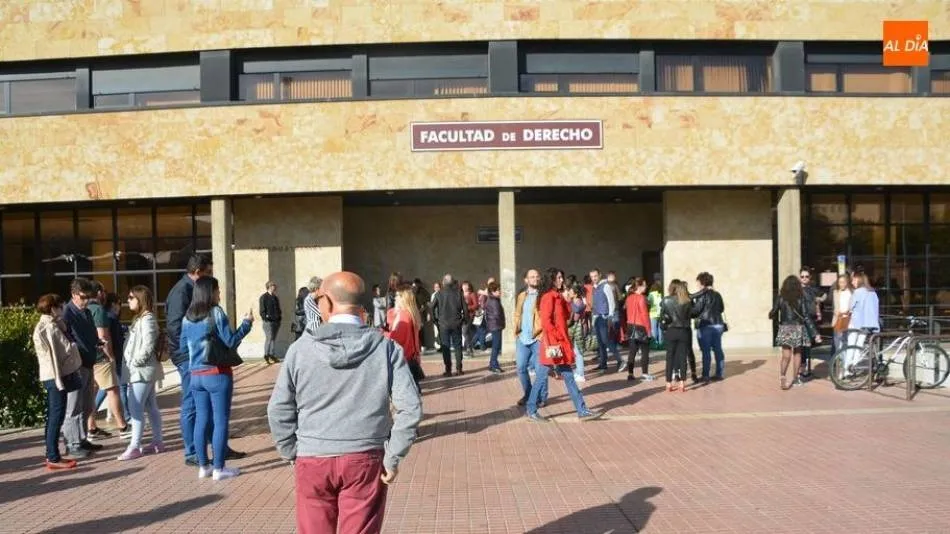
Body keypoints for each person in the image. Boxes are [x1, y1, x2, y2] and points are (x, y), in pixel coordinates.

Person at [267, 271, 423, 534]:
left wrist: (290, 451)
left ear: (326, 303)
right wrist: (393, 456)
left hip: (313, 456)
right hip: (365, 457)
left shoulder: (300, 350)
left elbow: (279, 408)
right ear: (361, 306)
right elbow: (410, 407)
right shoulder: (385, 348)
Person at [165, 254, 246, 466]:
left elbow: (182, 335)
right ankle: (199, 456)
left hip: (195, 368)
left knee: (202, 415)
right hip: (207, 369)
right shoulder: (184, 294)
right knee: (206, 414)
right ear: (200, 274)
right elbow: (229, 340)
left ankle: (205, 460)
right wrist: (246, 325)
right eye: (208, 273)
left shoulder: (190, 313)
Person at [181, 276, 254, 481]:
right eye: (217, 290)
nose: (219, 294)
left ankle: (203, 466)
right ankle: (219, 468)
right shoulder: (216, 312)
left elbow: (181, 347)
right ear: (210, 292)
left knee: (201, 420)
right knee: (220, 421)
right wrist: (246, 324)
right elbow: (230, 340)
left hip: (195, 375)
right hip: (217, 374)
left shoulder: (187, 317)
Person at [525, 268, 603, 423]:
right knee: (542, 378)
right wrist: (557, 338)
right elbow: (546, 322)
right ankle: (532, 409)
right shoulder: (548, 297)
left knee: (568, 378)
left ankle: (581, 410)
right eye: (559, 278)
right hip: (553, 346)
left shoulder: (558, 297)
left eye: (562, 277)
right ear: (552, 279)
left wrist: (569, 300)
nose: (562, 280)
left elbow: (568, 316)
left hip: (558, 345)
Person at [33, 294, 84, 470]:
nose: (62, 308)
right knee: (56, 416)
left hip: (51, 375)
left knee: (53, 415)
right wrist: (74, 347)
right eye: (59, 306)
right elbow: (63, 351)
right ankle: (53, 456)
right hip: (56, 376)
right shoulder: (51, 327)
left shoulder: (47, 324)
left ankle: (51, 453)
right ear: (52, 308)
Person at [118, 285, 165, 461]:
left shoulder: (147, 320)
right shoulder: (141, 319)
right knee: (150, 406)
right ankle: (157, 442)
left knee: (135, 407)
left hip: (141, 372)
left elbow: (147, 345)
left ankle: (135, 445)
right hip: (141, 371)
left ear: (140, 299)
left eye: (131, 297)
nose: (128, 301)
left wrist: (134, 363)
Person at [61, 278, 103, 457]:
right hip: (76, 366)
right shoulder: (67, 313)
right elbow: (66, 339)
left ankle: (82, 437)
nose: (86, 301)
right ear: (74, 294)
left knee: (87, 405)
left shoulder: (85, 312)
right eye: (83, 297)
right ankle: (72, 443)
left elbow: (90, 333)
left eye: (89, 297)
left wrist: (97, 342)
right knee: (74, 406)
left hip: (88, 362)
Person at [86, 282, 130, 439]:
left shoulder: (84, 310)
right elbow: (103, 337)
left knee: (92, 393)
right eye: (103, 291)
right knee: (113, 390)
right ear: (98, 293)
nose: (105, 294)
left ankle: (91, 428)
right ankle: (122, 426)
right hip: (102, 358)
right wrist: (110, 356)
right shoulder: (98, 310)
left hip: (88, 358)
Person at [770, 275, 822, 390]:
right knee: (797, 354)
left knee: (786, 355)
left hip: (785, 328)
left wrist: (775, 319)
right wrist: (815, 332)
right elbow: (806, 316)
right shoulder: (800, 297)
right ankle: (796, 378)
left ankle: (783, 376)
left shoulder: (781, 297)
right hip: (798, 327)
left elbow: (773, 312)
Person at [513, 269, 548, 407]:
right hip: (522, 338)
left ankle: (542, 397)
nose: (535, 279)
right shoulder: (522, 295)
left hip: (538, 337)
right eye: (531, 277)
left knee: (541, 370)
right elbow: (517, 314)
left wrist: (543, 335)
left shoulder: (543, 295)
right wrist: (516, 332)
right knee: (521, 368)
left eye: (537, 276)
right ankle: (529, 394)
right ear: (526, 280)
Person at [384, 284, 425, 391]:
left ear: (403, 298)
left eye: (398, 296)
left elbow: (396, 338)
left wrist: (381, 333)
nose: (395, 298)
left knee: (406, 393)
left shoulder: (404, 316)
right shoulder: (410, 313)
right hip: (410, 356)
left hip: (403, 357)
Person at [692, 272, 727, 381]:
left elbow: (696, 311)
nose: (697, 285)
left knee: (706, 351)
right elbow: (721, 309)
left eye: (698, 282)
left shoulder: (701, 295)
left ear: (702, 283)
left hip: (705, 325)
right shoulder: (717, 294)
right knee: (718, 349)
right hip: (718, 324)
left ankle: (706, 375)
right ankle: (719, 373)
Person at [660, 281, 692, 393]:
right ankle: (682, 383)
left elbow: (662, 316)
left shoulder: (666, 300)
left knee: (670, 358)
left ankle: (668, 383)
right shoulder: (687, 301)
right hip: (683, 331)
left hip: (671, 330)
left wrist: (664, 326)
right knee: (683, 357)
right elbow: (689, 316)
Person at [590, 269, 623, 372]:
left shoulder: (606, 286)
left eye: (595, 276)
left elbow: (611, 302)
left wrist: (610, 316)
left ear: (599, 275)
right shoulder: (595, 288)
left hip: (605, 317)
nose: (594, 278)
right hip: (597, 317)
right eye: (592, 276)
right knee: (600, 342)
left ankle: (620, 360)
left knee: (606, 340)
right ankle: (603, 364)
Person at [432, 274, 465, 376]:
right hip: (456, 323)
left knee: (445, 347)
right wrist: (464, 319)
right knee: (457, 346)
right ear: (453, 282)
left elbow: (431, 307)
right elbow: (465, 308)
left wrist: (435, 321)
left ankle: (448, 370)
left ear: (443, 282)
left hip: (443, 324)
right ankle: (459, 369)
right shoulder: (458, 293)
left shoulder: (438, 294)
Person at [625, 278, 654, 382]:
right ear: (639, 286)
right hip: (641, 326)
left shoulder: (629, 298)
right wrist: (649, 330)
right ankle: (645, 373)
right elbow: (644, 315)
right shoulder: (642, 298)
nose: (646, 287)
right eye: (644, 285)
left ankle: (630, 373)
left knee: (632, 351)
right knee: (645, 351)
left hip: (630, 325)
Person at [848, 272, 881, 346]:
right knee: (859, 344)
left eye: (853, 280)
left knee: (851, 345)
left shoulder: (857, 292)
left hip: (856, 322)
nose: (852, 282)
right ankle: (857, 358)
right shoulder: (873, 292)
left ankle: (850, 358)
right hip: (868, 323)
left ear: (858, 280)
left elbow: (850, 307)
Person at [566, 282, 587, 383]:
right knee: (576, 350)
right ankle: (579, 371)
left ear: (575, 293)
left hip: (578, 329)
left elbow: (575, 318)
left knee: (578, 352)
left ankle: (581, 374)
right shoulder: (575, 301)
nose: (568, 292)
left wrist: (571, 310)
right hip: (576, 329)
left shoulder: (577, 302)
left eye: (570, 290)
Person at [483, 281, 505, 373]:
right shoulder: (494, 301)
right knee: (496, 346)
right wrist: (502, 323)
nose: (500, 291)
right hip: (496, 325)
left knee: (495, 346)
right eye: (498, 290)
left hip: (494, 325)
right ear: (493, 291)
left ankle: (493, 364)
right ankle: (493, 365)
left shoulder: (491, 299)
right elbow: (497, 314)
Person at [259, 281, 282, 364]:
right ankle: (266, 355)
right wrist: (265, 317)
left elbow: (278, 309)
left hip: (276, 321)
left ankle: (272, 354)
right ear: (269, 287)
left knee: (273, 339)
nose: (274, 287)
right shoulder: (264, 297)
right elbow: (262, 310)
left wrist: (279, 317)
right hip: (268, 322)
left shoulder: (275, 297)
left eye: (274, 286)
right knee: (269, 338)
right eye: (273, 286)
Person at [831, 273, 853, 351]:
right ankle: (838, 360)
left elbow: (851, 306)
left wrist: (848, 311)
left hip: (848, 319)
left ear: (847, 282)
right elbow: (836, 306)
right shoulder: (836, 292)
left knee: (845, 340)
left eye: (843, 282)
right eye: (840, 282)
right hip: (838, 318)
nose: (842, 284)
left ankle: (845, 360)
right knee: (837, 341)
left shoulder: (851, 292)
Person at [647, 282, 664, 349]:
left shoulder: (651, 294)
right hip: (660, 313)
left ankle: (655, 343)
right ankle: (661, 343)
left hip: (653, 313)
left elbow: (648, 302)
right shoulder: (661, 294)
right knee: (660, 329)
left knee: (653, 329)